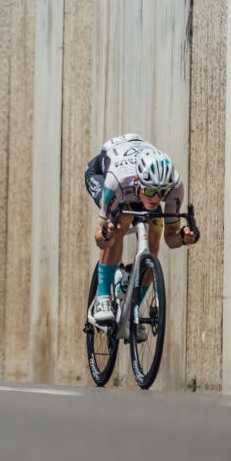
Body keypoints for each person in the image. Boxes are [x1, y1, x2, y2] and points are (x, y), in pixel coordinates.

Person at [84, 133, 199, 329]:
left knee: (153, 244)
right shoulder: (116, 181)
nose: (155, 199)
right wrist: (107, 234)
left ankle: (132, 314)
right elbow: (99, 239)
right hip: (104, 175)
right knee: (121, 222)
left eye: (161, 193)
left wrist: (183, 237)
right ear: (138, 181)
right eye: (150, 192)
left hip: (135, 185)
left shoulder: (174, 185)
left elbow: (171, 240)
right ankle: (103, 296)